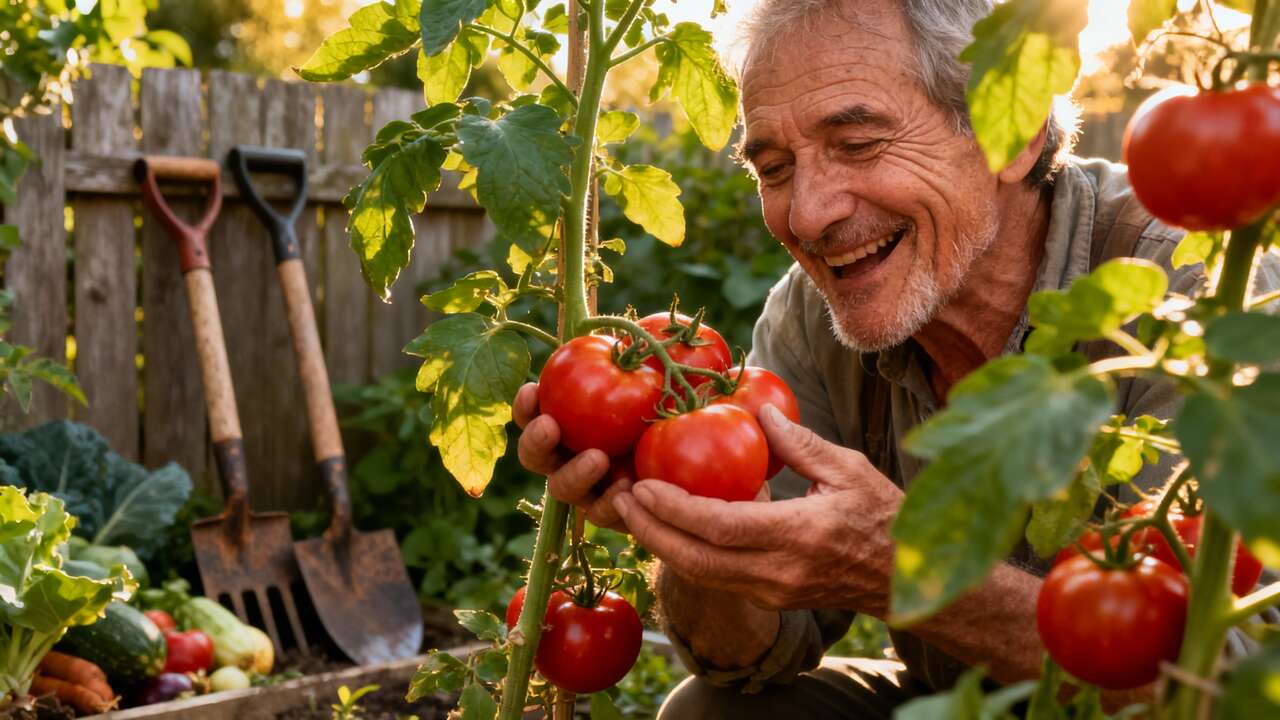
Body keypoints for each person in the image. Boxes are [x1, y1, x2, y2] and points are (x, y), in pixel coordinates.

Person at [513, 0, 1280, 716]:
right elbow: (746, 655)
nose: (808, 213)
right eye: (774, 169)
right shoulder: (812, 318)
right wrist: (692, 522)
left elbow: (1228, 685)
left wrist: (906, 568)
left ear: (1011, 131)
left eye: (858, 144)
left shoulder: (1200, 302)